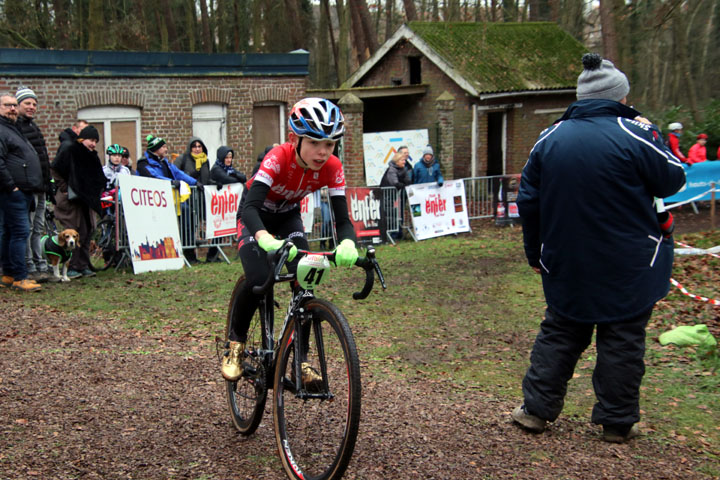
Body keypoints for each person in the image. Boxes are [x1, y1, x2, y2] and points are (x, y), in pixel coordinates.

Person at [512, 53, 686, 444]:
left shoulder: (549, 138)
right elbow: (673, 179)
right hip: (629, 261)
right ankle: (617, 421)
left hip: (567, 259)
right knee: (623, 336)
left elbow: (528, 202)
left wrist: (534, 252)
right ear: (619, 97)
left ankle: (536, 410)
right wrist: (653, 132)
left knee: (560, 331)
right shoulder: (636, 134)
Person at [221, 97, 359, 383]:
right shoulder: (278, 157)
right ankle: (235, 345)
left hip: (287, 217)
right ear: (295, 138)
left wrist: (348, 243)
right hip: (255, 216)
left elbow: (342, 219)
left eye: (330, 144)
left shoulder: (332, 167)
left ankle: (302, 360)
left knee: (305, 277)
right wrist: (263, 237)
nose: (322, 152)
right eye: (314, 143)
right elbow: (249, 207)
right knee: (259, 279)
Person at [0, 92, 44, 292]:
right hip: (12, 192)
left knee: (10, 232)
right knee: (20, 233)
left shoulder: (13, 128)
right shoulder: (2, 130)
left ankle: (8, 274)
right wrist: (12, 186)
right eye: (6, 105)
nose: (11, 109)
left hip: (23, 190)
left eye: (12, 105)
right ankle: (20, 277)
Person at [51, 125, 107, 279]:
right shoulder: (70, 150)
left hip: (85, 201)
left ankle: (81, 265)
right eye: (90, 139)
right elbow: (55, 169)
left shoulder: (92, 156)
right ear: (82, 138)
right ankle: (71, 266)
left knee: (86, 231)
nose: (93, 144)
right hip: (70, 201)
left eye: (96, 141)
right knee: (71, 233)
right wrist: (63, 187)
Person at [136, 134, 201, 263]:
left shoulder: (165, 162)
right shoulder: (143, 163)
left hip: (170, 199)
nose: (166, 149)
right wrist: (171, 182)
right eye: (164, 147)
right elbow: (152, 177)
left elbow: (178, 173)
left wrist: (195, 182)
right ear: (156, 148)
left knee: (188, 213)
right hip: (153, 202)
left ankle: (189, 251)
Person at [15, 86, 51, 283]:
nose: (31, 107)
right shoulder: (17, 128)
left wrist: (48, 183)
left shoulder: (33, 127)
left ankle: (40, 264)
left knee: (38, 228)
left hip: (41, 186)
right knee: (27, 228)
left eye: (34, 104)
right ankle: (29, 264)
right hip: (28, 187)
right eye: (27, 103)